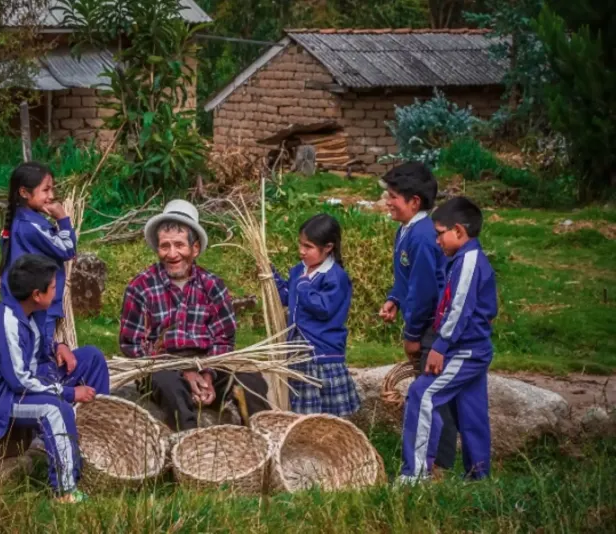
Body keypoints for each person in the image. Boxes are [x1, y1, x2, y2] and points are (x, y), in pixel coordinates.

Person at [0, 254, 110, 503]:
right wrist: (70, 393)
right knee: (55, 410)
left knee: (92, 357)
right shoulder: (5, 324)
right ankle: (65, 489)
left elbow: (36, 350)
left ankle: (95, 445)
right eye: (53, 287)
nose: (56, 291)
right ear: (37, 294)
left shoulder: (30, 312)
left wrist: (58, 347)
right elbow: (19, 381)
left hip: (28, 380)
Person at [118, 199, 270, 431]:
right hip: (160, 367)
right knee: (168, 383)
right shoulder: (141, 287)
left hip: (208, 364)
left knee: (251, 380)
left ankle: (261, 437)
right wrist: (182, 371)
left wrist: (208, 374)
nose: (172, 254)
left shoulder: (212, 286)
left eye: (179, 245)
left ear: (195, 248)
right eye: (165, 246)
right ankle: (189, 441)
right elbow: (132, 345)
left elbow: (224, 340)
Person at [399, 197, 497, 483]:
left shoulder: (469, 262)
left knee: (422, 394)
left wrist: (440, 346)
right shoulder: (461, 259)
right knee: (472, 411)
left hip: (463, 350)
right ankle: (478, 477)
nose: (437, 240)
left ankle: (415, 475)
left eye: (440, 233)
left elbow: (459, 308)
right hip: (472, 348)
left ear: (458, 231)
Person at [378, 161, 457, 475]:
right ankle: (432, 459)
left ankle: (438, 465)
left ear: (414, 201)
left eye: (393, 196)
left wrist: (412, 336)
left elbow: (424, 291)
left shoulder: (423, 236)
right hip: (423, 324)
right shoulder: (407, 229)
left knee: (432, 395)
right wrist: (395, 299)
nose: (388, 202)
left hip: (432, 328)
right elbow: (408, 277)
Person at [272, 214, 360, 416]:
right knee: (302, 410)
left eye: (308, 246)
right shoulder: (299, 271)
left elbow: (323, 308)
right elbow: (288, 297)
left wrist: (303, 286)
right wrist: (272, 278)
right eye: (300, 244)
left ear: (328, 247)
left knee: (329, 414)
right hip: (298, 349)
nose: (301, 251)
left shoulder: (335, 277)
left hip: (321, 352)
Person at [0, 161, 77, 363]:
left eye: (52, 189)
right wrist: (63, 218)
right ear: (24, 192)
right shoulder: (31, 226)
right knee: (40, 352)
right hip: (38, 301)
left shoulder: (22, 221)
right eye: (46, 190)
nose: (51, 195)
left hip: (28, 300)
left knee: (30, 348)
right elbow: (67, 249)